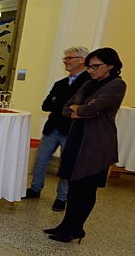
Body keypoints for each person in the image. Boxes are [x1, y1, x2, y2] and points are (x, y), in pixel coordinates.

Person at [44, 47, 126, 243]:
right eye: (89, 67)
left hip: (96, 143)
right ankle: (66, 225)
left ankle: (76, 228)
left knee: (86, 187)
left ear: (111, 65)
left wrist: (82, 109)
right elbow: (66, 108)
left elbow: (93, 109)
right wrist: (82, 109)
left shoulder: (116, 85)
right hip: (77, 139)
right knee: (73, 185)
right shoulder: (88, 84)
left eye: (96, 66)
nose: (91, 70)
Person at [25, 46, 90, 211]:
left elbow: (81, 107)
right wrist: (65, 105)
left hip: (71, 130)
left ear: (81, 60)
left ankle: (62, 197)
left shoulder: (88, 83)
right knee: (40, 160)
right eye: (65, 58)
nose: (65, 61)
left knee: (67, 165)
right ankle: (35, 188)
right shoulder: (60, 83)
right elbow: (46, 105)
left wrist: (59, 102)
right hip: (52, 128)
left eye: (69, 58)